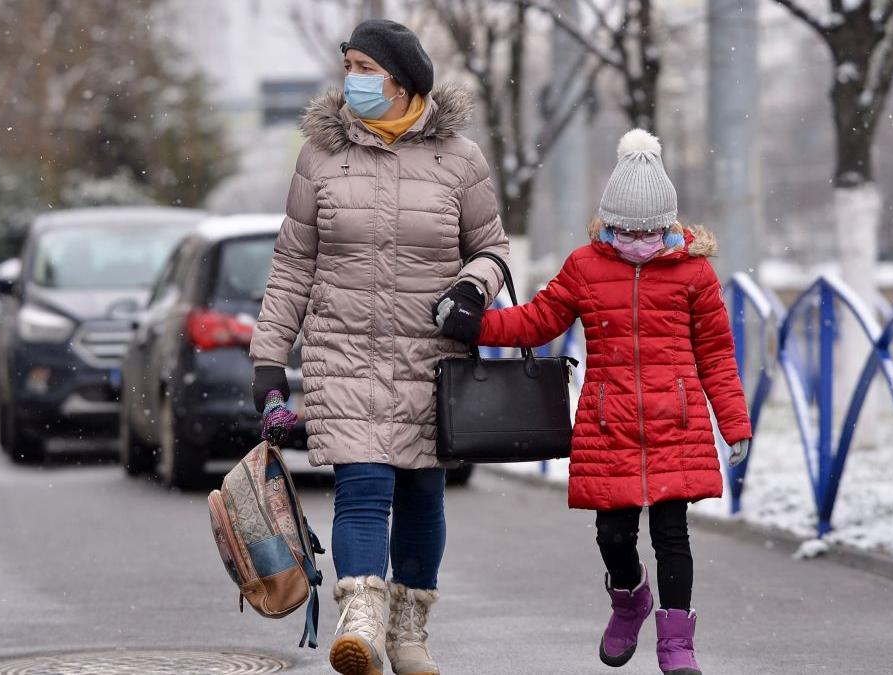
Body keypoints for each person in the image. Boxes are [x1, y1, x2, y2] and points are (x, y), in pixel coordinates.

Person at [438, 129, 752, 675]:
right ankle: (629, 601)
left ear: (669, 224)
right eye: (624, 228)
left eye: (648, 229)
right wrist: (477, 325)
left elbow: (717, 355)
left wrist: (735, 424)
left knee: (672, 535)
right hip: (610, 425)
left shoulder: (694, 273)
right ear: (608, 220)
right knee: (613, 536)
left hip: (675, 424)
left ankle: (677, 643)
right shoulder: (586, 266)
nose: (635, 239)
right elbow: (539, 320)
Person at [250, 19, 509, 675]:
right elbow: (292, 265)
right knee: (362, 487)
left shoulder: (461, 157)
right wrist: (268, 359)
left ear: (402, 80)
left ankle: (409, 632)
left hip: (431, 356)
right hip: (345, 353)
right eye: (349, 66)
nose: (353, 80)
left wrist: (475, 287)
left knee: (423, 495)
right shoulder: (320, 157)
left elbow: (492, 248)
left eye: (366, 67)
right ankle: (361, 622)